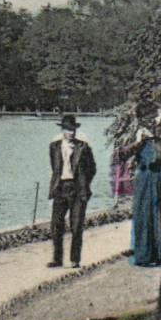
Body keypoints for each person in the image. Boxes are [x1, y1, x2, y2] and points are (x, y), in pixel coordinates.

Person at [48, 113, 97, 267]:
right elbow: (54, 167)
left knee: (76, 226)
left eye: (73, 130)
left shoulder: (83, 147)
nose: (71, 133)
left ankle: (75, 260)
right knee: (56, 225)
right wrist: (57, 183)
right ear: (62, 130)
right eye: (68, 129)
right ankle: (57, 259)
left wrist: (83, 184)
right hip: (60, 188)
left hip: (78, 190)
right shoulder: (54, 147)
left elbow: (92, 168)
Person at [128, 122, 161, 268]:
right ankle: (143, 255)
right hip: (143, 182)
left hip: (156, 180)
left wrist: (152, 139)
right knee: (142, 217)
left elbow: (156, 159)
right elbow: (125, 155)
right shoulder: (140, 143)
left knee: (156, 216)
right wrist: (138, 141)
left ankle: (158, 254)